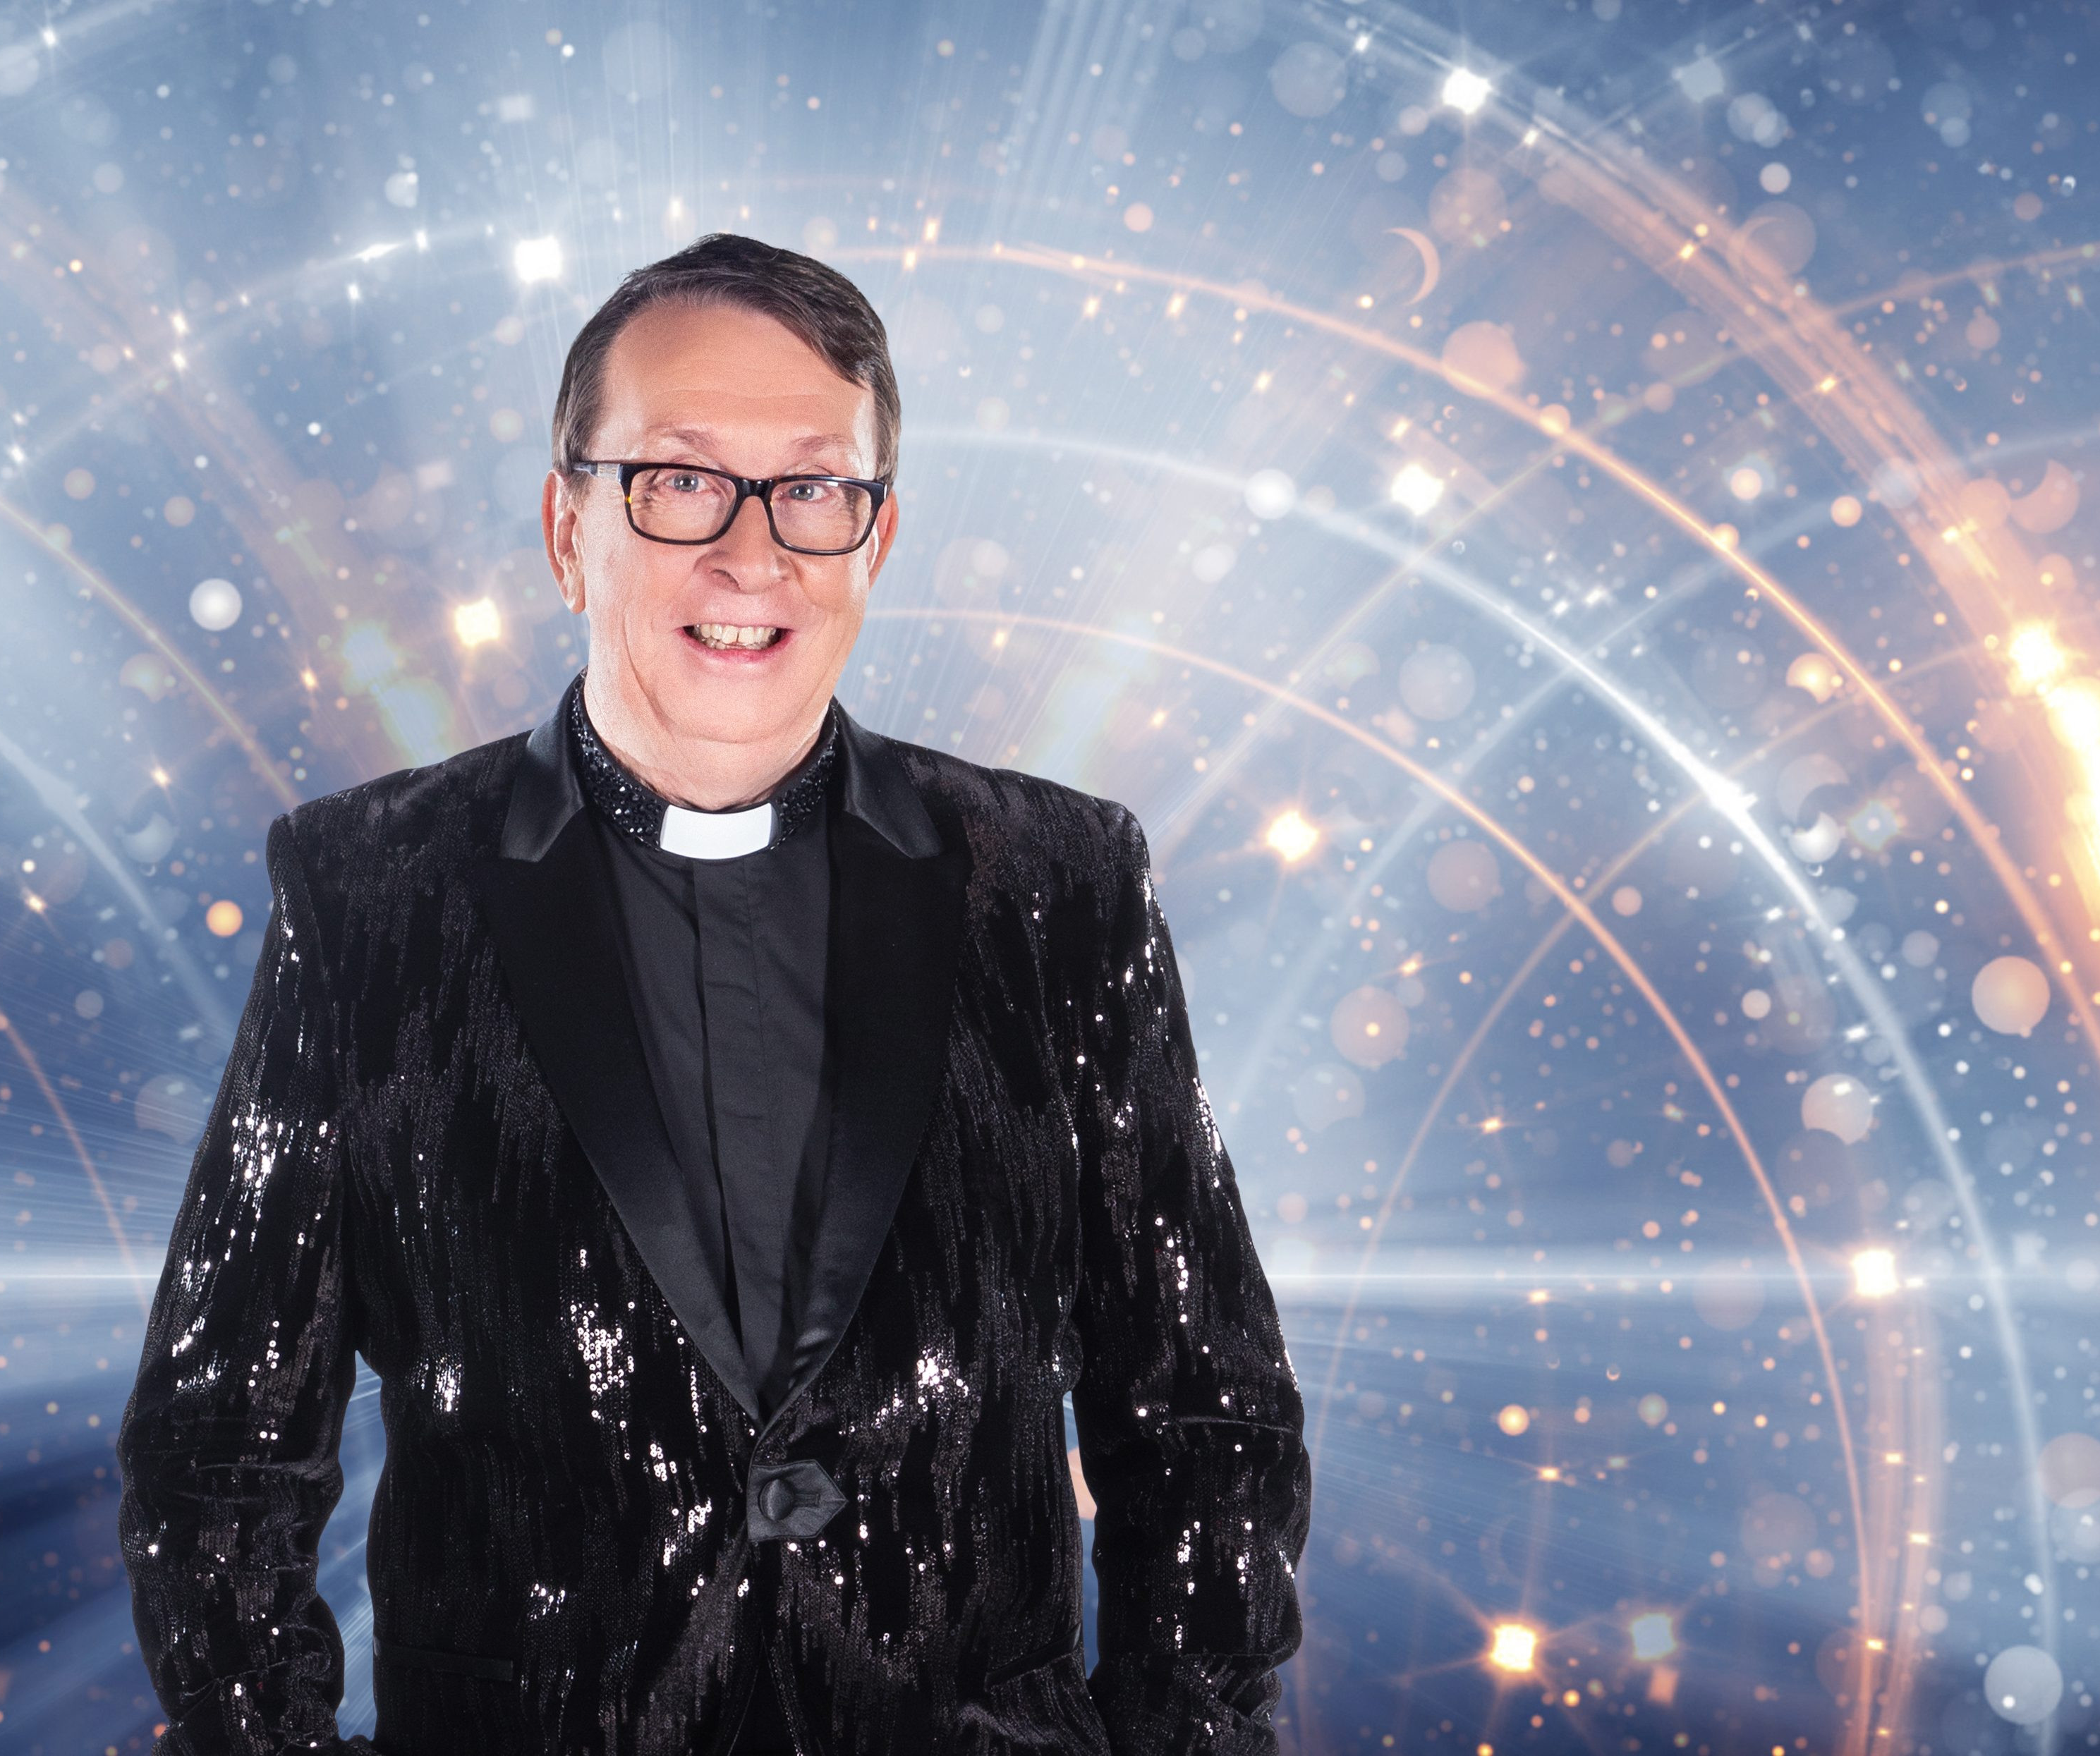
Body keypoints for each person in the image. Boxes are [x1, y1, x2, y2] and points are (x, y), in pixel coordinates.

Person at [116, 231, 1308, 1756]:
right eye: (680, 481)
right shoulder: (370, 895)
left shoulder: (1058, 887)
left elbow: (1203, 1409)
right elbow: (222, 1443)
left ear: (876, 539)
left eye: (813, 489)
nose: (754, 557)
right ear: (567, 527)